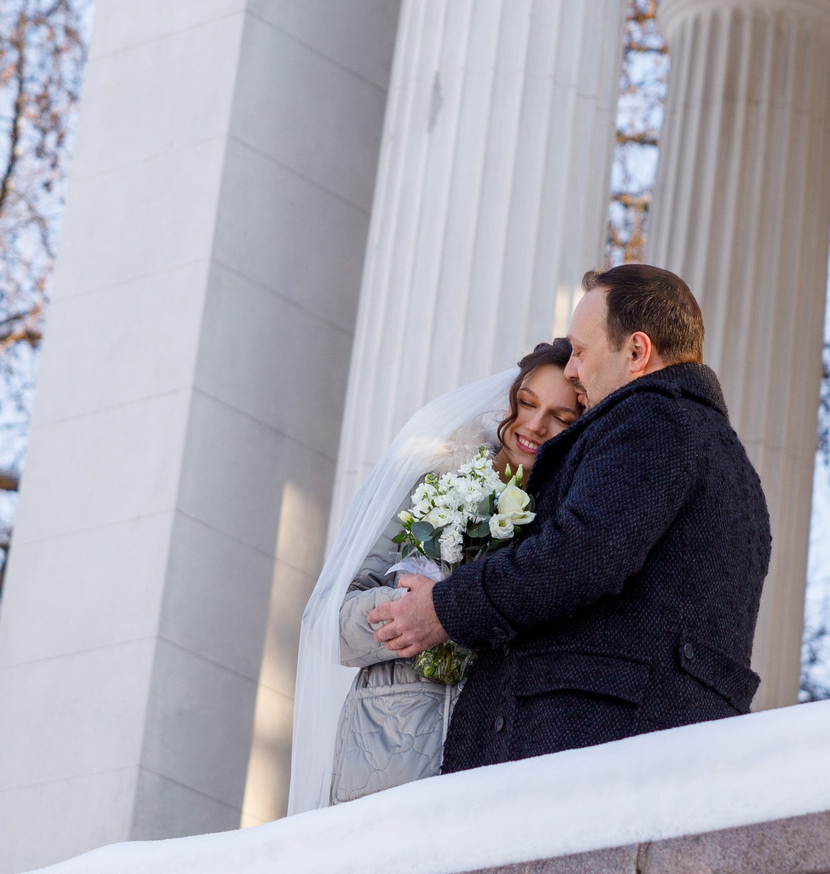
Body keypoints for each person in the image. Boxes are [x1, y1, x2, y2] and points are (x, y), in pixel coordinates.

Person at [366, 264, 771, 771]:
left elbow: (579, 553)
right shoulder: (732, 466)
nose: (573, 370)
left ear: (637, 352)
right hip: (663, 745)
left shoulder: (652, 417)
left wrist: (444, 608)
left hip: (583, 743)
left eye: (580, 351)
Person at [322, 340, 580, 804]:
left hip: (488, 776)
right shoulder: (434, 478)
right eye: (527, 404)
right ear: (508, 400)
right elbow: (333, 625)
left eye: (562, 418)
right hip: (384, 759)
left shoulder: (564, 528)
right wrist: (421, 610)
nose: (536, 426)